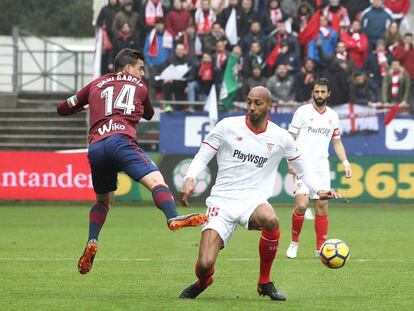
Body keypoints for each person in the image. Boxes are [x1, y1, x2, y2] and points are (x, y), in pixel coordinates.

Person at [178, 86, 340, 301]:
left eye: (258, 103)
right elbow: (203, 154)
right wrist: (190, 176)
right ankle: (203, 281)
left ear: (269, 106)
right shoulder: (227, 126)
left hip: (253, 200)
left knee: (270, 219)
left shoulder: (281, 137)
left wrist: (317, 189)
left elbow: (302, 167)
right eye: (249, 102)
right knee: (204, 265)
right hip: (222, 201)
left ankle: (264, 282)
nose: (252, 107)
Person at [56, 48, 207, 275]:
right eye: (140, 68)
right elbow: (147, 114)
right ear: (128, 68)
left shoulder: (96, 84)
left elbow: (63, 108)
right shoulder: (140, 87)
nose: (142, 74)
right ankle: (172, 216)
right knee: (157, 180)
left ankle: (92, 240)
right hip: (120, 142)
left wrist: (85, 104)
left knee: (104, 201)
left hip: (96, 148)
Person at [286, 78, 352, 259]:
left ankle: (320, 249)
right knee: (301, 205)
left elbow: (337, 142)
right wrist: (290, 161)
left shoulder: (333, 116)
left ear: (328, 94)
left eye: (323, 92)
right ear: (312, 93)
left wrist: (345, 163)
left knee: (322, 207)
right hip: (301, 163)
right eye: (317, 91)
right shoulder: (302, 112)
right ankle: (294, 243)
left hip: (321, 166)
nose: (319, 95)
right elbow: (290, 136)